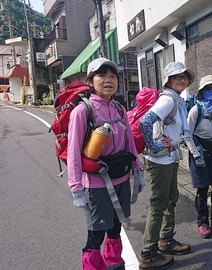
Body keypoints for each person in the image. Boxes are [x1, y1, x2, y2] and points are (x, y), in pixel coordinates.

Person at [68, 58, 145, 270]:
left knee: (116, 227)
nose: (108, 80)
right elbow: (73, 152)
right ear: (91, 81)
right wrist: (76, 189)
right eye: (102, 75)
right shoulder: (83, 111)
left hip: (121, 179)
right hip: (96, 184)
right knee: (96, 234)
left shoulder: (120, 109)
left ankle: (114, 263)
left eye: (113, 76)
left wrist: (138, 171)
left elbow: (129, 142)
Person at [138, 61, 195, 270]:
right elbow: (145, 121)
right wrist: (152, 145)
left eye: (184, 76)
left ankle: (166, 240)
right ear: (168, 80)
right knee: (159, 204)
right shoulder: (168, 100)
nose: (182, 79)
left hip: (168, 158)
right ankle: (148, 254)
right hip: (160, 160)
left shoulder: (177, 100)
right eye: (177, 76)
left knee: (171, 199)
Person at [185, 75, 212, 238]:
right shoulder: (195, 110)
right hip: (200, 151)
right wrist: (196, 155)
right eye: (208, 89)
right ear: (202, 92)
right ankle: (202, 222)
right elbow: (187, 134)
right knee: (202, 189)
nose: (211, 92)